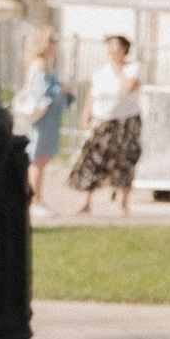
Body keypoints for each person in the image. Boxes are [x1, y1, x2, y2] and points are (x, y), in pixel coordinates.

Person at [67, 33, 144, 214]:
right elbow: (92, 95)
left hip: (126, 120)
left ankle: (123, 203)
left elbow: (129, 87)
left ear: (124, 49)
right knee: (93, 158)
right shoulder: (101, 71)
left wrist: (118, 69)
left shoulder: (133, 68)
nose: (111, 51)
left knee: (125, 159)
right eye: (109, 47)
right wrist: (85, 115)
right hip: (103, 119)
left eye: (115, 46)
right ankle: (86, 202)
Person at [12, 29, 70, 210]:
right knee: (37, 158)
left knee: (42, 159)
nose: (55, 44)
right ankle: (34, 199)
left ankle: (37, 198)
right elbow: (40, 93)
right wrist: (61, 89)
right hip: (42, 119)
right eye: (52, 40)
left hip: (50, 118)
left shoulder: (44, 64)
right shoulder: (39, 65)